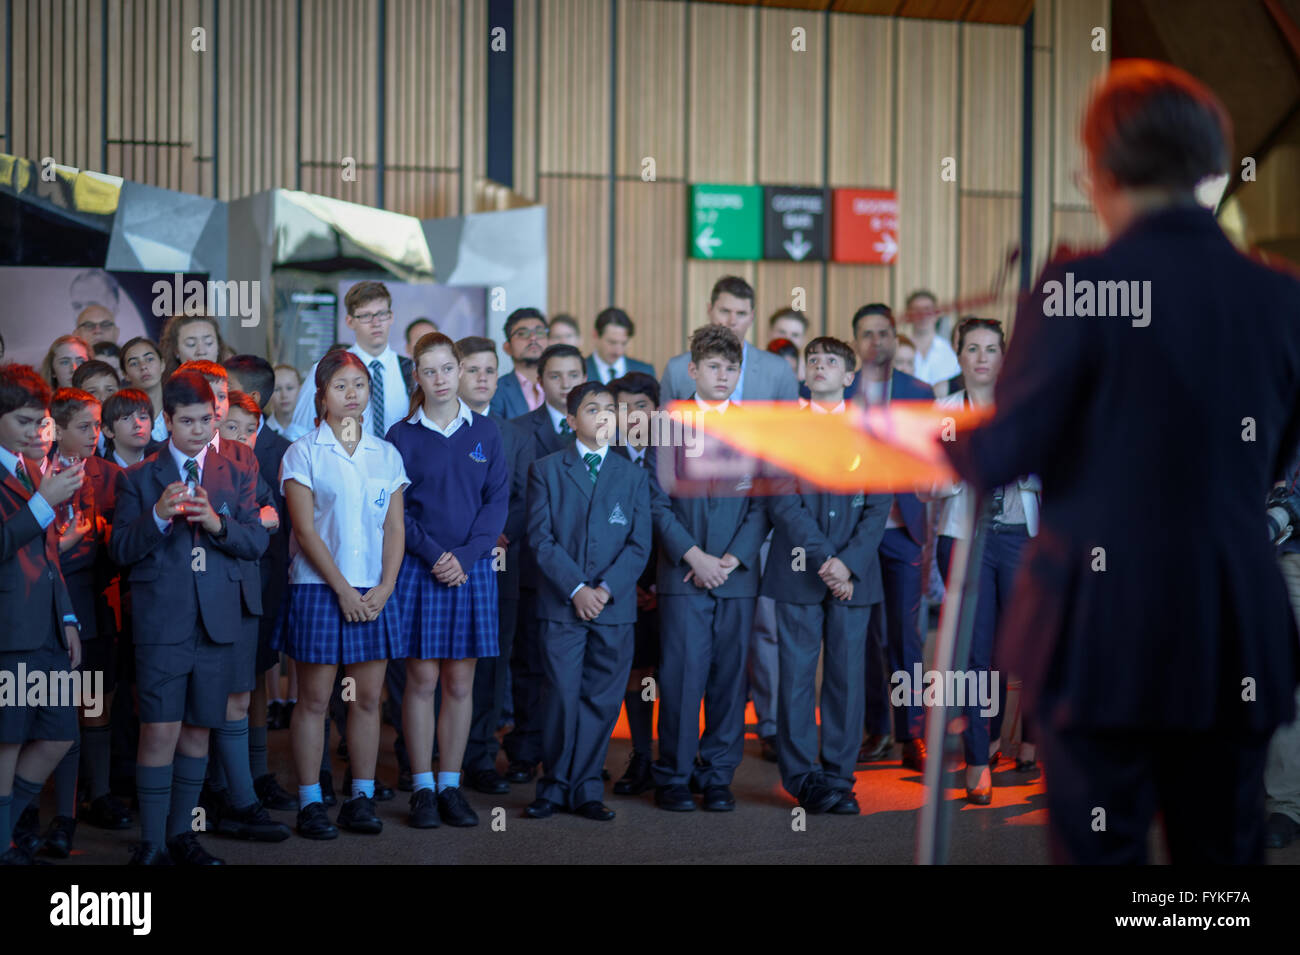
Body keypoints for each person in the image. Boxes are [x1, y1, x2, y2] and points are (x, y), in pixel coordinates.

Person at [943, 60, 1300, 864]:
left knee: (1101, 851)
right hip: (1230, 621)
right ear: (1211, 167)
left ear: (1101, 170)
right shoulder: (1280, 296)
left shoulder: (1078, 284)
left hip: (1100, 626)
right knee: (1221, 861)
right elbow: (1274, 455)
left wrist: (934, 436)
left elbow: (1006, 450)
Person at [110, 370, 268, 865]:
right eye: (188, 421)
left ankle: (183, 835)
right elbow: (118, 550)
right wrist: (158, 516)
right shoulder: (139, 477)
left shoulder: (237, 470)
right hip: (162, 624)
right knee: (159, 729)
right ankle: (151, 844)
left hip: (219, 622)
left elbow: (256, 542)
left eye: (207, 419)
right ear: (167, 421)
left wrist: (217, 524)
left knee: (200, 730)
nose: (200, 430)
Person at [276, 350, 408, 839]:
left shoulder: (386, 454)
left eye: (359, 386)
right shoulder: (303, 452)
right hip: (318, 588)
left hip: (374, 591)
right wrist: (342, 591)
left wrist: (386, 586)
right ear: (322, 395)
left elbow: (395, 528)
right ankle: (311, 799)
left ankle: (361, 799)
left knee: (368, 699)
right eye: (340, 387)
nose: (352, 395)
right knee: (313, 699)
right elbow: (306, 532)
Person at [763, 337, 890, 814]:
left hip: (854, 576)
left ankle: (839, 776)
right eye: (812, 360)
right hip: (800, 570)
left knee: (845, 677)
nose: (819, 367)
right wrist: (826, 560)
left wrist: (848, 563)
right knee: (795, 677)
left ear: (849, 377)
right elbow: (782, 501)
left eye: (830, 361)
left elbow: (878, 506)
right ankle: (803, 780)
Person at [386, 332, 508, 827]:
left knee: (460, 682)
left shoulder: (486, 431)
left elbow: (496, 502)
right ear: (416, 376)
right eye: (428, 371)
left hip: (472, 570)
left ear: (461, 372)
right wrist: (438, 555)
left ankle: (450, 785)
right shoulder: (400, 435)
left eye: (447, 369)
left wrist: (467, 555)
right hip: (420, 568)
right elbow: (397, 511)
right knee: (421, 678)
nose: (439, 379)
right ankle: (421, 787)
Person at [650, 325, 769, 812]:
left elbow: (764, 502)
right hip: (684, 572)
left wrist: (733, 558)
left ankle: (717, 774)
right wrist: (693, 556)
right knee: (681, 676)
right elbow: (655, 500)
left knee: (729, 680)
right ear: (693, 370)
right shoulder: (668, 422)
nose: (723, 375)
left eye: (732, 368)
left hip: (736, 574)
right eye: (714, 366)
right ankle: (674, 775)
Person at [523, 380, 651, 821]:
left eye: (609, 411)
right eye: (593, 410)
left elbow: (639, 544)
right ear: (571, 420)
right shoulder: (547, 469)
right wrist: (577, 589)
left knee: (601, 698)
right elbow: (540, 540)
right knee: (560, 694)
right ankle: (554, 785)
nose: (604, 417)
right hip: (562, 605)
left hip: (613, 607)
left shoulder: (633, 475)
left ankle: (586, 787)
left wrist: (605, 590)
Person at [933, 318, 1040, 805]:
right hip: (965, 538)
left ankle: (1006, 736)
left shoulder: (1027, 407)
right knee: (975, 655)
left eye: (991, 349)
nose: (981, 357)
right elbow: (924, 486)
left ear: (1004, 357)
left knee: (1015, 649)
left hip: (1021, 536)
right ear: (959, 357)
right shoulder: (944, 412)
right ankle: (977, 760)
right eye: (971, 348)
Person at [28, 388, 130, 857]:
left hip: (95, 606)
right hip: (47, 608)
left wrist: (107, 536)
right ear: (59, 431)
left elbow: (125, 547)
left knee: (92, 709)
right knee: (48, 718)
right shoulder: (36, 476)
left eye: (97, 425)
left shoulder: (110, 475)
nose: (95, 435)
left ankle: (94, 796)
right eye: (85, 426)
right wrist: (64, 544)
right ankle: (31, 813)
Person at [0, 366, 85, 865]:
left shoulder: (30, 467)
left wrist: (69, 619)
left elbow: (50, 552)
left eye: (43, 422)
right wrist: (41, 504)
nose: (38, 432)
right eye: (26, 422)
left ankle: (5, 831)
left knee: (58, 734)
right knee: (6, 741)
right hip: (9, 630)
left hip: (49, 627)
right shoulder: (34, 478)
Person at [846, 304, 933, 770]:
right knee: (861, 637)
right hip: (855, 533)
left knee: (906, 637)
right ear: (856, 341)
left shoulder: (919, 392)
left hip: (904, 531)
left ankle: (911, 733)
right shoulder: (842, 391)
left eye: (884, 333)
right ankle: (875, 729)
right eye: (867, 334)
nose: (876, 341)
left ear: (895, 339)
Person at [503, 342, 584, 783]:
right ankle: (526, 748)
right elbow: (516, 498)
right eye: (556, 376)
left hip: (589, 568)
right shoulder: (518, 430)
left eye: (574, 375)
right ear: (539, 381)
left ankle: (575, 755)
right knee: (531, 663)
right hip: (535, 564)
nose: (566, 383)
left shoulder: (599, 428)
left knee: (581, 670)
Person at [456, 336, 533, 795]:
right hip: (444, 562)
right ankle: (423, 756)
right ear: (453, 374)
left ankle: (480, 756)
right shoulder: (428, 427)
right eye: (473, 370)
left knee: (490, 662)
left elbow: (525, 497)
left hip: (500, 562)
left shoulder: (516, 433)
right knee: (435, 664)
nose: (483, 378)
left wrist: (495, 534)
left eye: (490, 371)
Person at [223, 356, 297, 808]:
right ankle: (225, 783)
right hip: (219, 580)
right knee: (226, 687)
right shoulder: (212, 441)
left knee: (252, 682)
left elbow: (283, 526)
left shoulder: (282, 449)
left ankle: (256, 774)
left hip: (265, 578)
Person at [608, 371, 665, 795]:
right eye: (622, 408)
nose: (632, 417)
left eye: (640, 407)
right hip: (623, 585)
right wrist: (630, 584)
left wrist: (662, 582)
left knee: (678, 672)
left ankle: (680, 758)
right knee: (635, 673)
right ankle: (641, 754)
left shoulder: (677, 453)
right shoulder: (605, 456)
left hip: (677, 580)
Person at [287, 282, 416, 441]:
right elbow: (298, 433)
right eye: (366, 316)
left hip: (396, 463)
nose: (376, 323)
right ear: (349, 321)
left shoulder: (410, 371)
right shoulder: (326, 370)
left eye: (382, 314)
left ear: (391, 317)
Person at [660, 276, 800, 403]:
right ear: (709, 310)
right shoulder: (676, 369)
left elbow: (790, 428)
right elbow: (662, 428)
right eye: (725, 311)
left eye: (741, 313)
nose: (732, 321)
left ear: (752, 317)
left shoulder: (779, 370)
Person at [489, 308, 549, 420]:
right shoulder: (495, 391)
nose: (533, 338)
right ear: (507, 348)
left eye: (540, 332)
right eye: (522, 333)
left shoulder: (564, 385)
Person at [902, 290, 960, 387]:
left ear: (937, 314)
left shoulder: (952, 352)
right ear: (908, 315)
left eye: (927, 309)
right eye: (916, 310)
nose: (922, 316)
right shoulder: (899, 349)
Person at [585, 307, 655, 384]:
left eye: (624, 343)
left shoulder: (645, 372)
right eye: (612, 342)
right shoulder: (580, 372)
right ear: (596, 335)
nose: (618, 351)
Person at [120, 337, 169, 442]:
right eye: (134, 363)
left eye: (150, 359)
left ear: (162, 364)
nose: (143, 367)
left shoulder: (179, 408)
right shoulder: (122, 417)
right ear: (125, 374)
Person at [101, 389, 162, 468]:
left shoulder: (165, 464)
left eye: (143, 417)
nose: (137, 424)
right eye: (126, 418)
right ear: (108, 430)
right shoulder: (101, 474)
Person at [158, 314, 229, 376]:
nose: (201, 352)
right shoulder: (168, 389)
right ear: (176, 351)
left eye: (209, 342)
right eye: (191, 344)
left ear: (218, 346)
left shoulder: (233, 386)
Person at [268, 364, 302, 437]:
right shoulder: (260, 432)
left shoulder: (310, 431)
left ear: (300, 389)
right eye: (277, 389)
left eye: (289, 388)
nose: (284, 395)